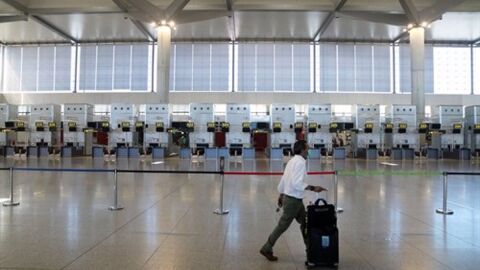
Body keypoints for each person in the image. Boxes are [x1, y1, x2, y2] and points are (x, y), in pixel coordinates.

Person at [260, 140, 327, 261]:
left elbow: (285, 179)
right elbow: (296, 183)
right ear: (302, 150)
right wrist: (313, 188)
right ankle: (267, 247)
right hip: (293, 201)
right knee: (283, 225)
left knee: (306, 223)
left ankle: (310, 250)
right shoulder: (300, 163)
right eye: (307, 148)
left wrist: (281, 194)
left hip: (293, 199)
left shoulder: (291, 161)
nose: (308, 151)